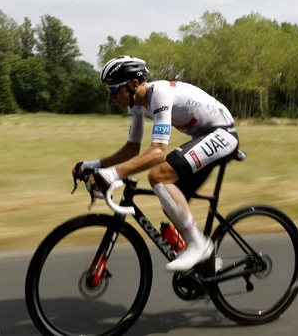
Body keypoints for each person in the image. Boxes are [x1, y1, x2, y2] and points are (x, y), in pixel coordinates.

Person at [74, 55, 239, 272]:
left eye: (114, 90)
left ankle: (199, 246)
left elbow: (158, 152)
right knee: (169, 201)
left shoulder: (159, 95)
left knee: (158, 175)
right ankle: (208, 263)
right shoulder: (136, 105)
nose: (111, 96)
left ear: (134, 85)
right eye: (108, 90)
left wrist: (113, 175)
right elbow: (132, 148)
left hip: (222, 132)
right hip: (203, 135)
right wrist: (95, 165)